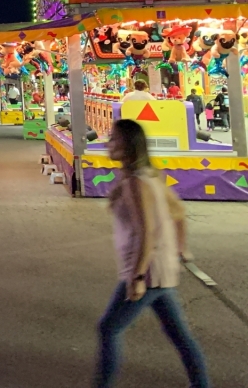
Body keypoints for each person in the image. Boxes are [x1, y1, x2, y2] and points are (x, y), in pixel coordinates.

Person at [94, 119, 210, 388]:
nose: (107, 143)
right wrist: (182, 247)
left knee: (108, 328)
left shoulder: (137, 182)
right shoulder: (147, 175)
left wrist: (136, 277)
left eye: (113, 139)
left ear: (127, 145)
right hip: (159, 269)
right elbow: (178, 212)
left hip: (147, 272)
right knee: (179, 335)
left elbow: (147, 232)